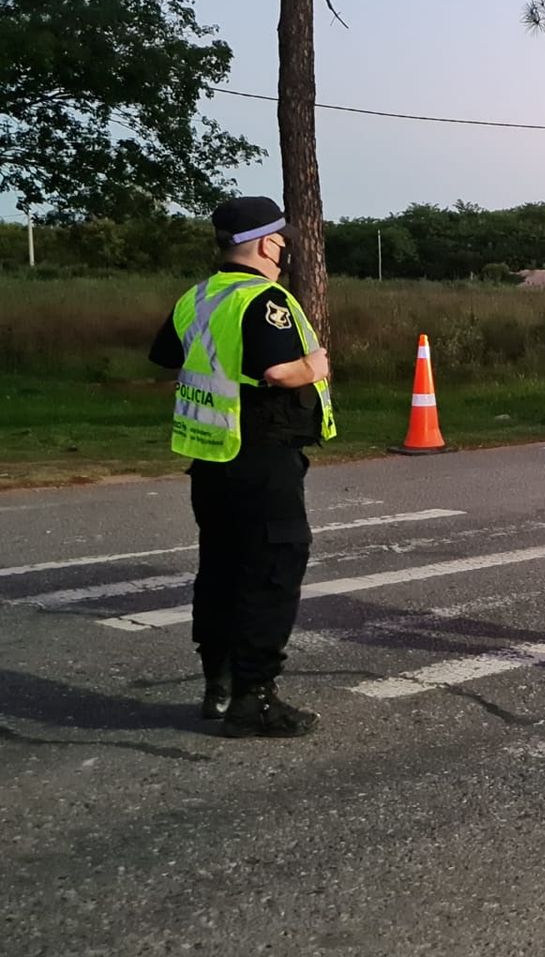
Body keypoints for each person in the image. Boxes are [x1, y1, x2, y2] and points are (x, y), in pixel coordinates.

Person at [148, 196, 335, 737]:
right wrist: (314, 365)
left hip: (209, 457)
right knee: (272, 572)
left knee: (222, 570)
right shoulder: (264, 298)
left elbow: (168, 355)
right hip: (262, 453)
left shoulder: (197, 297)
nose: (284, 251)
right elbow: (278, 372)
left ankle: (220, 684)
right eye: (282, 241)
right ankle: (255, 698)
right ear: (264, 243)